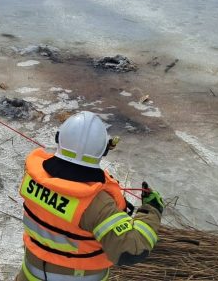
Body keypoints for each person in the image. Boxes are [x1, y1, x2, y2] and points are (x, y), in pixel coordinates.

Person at [16, 111, 163, 281]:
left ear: (59, 138)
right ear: (103, 151)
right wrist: (152, 211)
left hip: (30, 272)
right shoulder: (96, 204)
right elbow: (131, 251)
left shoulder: (32, 178)